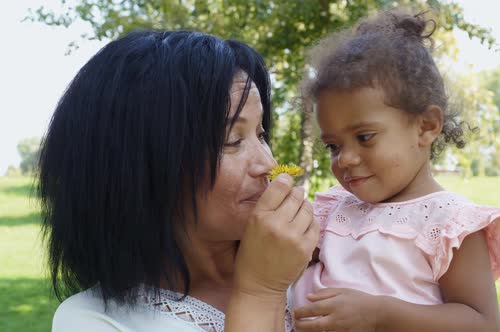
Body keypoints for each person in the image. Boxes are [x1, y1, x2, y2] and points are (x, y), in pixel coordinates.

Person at [38, 30, 319, 331]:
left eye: (261, 135)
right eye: (232, 140)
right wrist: (261, 291)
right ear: (141, 166)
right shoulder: (91, 320)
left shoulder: (319, 266)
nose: (269, 164)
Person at [289, 10, 500, 332]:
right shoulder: (334, 209)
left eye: (364, 138)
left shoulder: (448, 224)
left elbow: (480, 323)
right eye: (333, 146)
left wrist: (379, 314)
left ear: (426, 126)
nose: (345, 159)